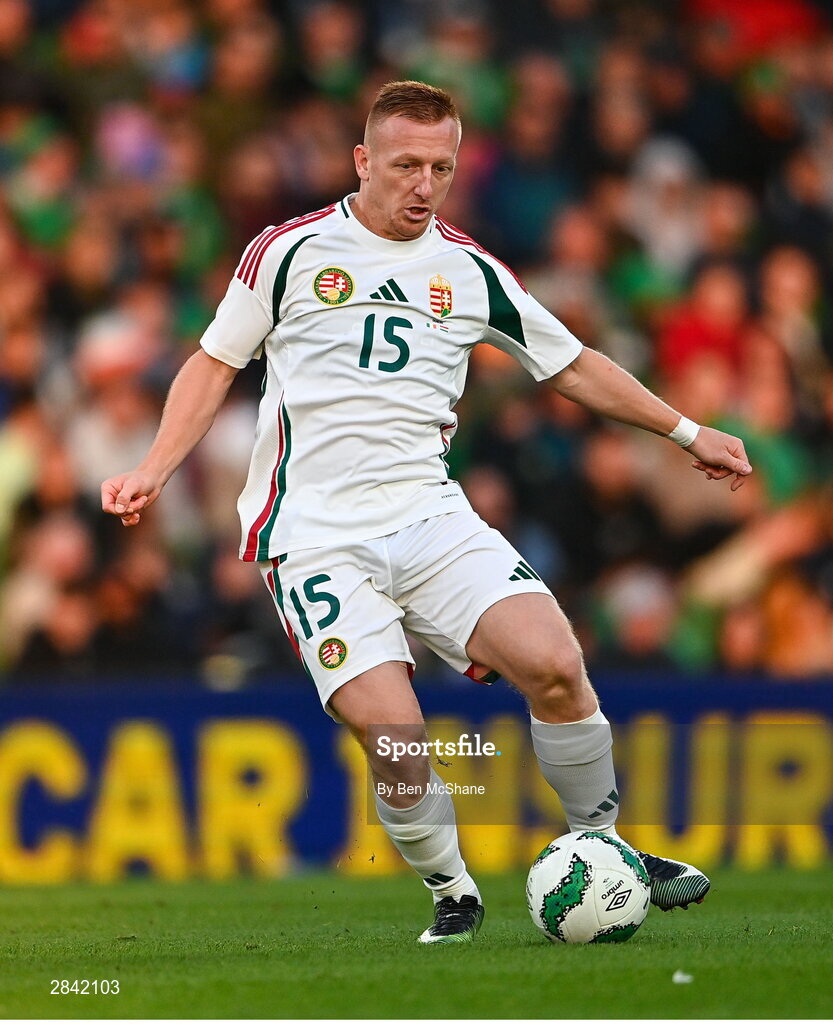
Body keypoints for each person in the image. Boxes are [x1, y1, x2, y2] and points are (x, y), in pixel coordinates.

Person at [102, 81, 753, 944]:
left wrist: (684, 428)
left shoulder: (469, 271)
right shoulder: (288, 252)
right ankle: (453, 889)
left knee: (555, 663)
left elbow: (571, 364)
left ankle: (604, 848)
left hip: (429, 516)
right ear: (363, 160)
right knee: (396, 736)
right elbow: (213, 364)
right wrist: (154, 465)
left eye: (440, 168)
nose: (423, 184)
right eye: (405, 165)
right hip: (314, 537)